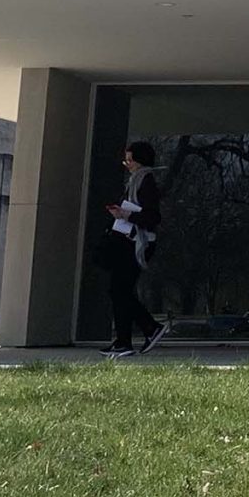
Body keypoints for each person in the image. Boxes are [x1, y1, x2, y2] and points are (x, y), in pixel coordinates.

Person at [101, 140, 165, 357]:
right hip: (131, 240)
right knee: (120, 290)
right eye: (126, 160)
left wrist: (126, 215)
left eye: (130, 160)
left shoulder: (145, 181)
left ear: (140, 161)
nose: (127, 164)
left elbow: (152, 216)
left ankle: (146, 329)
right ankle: (125, 339)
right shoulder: (136, 181)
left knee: (119, 290)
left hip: (138, 242)